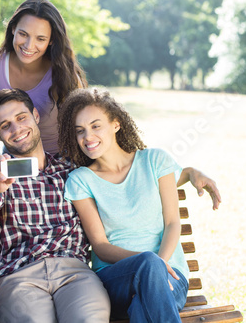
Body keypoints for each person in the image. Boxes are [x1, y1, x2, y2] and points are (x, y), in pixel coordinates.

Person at [0, 88, 110, 322]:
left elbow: (120, 171)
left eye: (21, 118)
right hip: (18, 275)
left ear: (35, 115)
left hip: (74, 272)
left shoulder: (70, 170)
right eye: (5, 126)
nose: (16, 129)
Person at [59, 87, 190, 321]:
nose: (87, 137)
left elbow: (171, 223)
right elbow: (100, 246)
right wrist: (147, 263)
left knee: (142, 307)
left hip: (171, 275)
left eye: (95, 126)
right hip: (116, 277)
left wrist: (158, 266)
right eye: (80, 131)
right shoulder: (81, 180)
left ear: (116, 124)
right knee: (148, 266)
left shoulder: (155, 160)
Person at [0, 0, 86, 155]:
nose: (29, 45)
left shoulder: (64, 75)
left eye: (40, 39)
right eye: (23, 34)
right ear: (13, 28)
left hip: (58, 162)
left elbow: (84, 126)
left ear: (51, 40)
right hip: (14, 161)